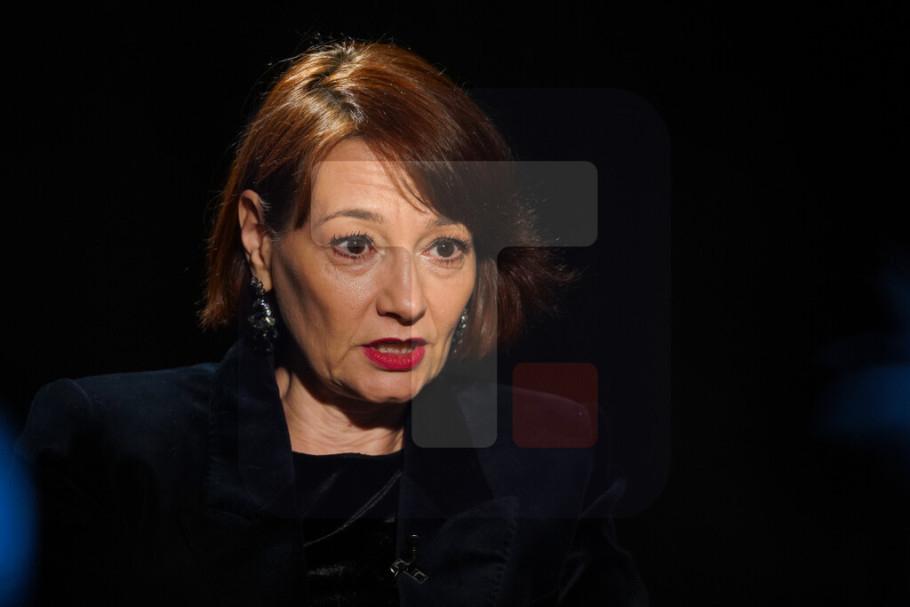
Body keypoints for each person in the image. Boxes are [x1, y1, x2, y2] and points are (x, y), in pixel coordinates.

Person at [17, 40, 647, 605]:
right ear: (259, 240)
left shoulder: (553, 461)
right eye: (355, 245)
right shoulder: (111, 451)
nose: (407, 301)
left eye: (444, 247)